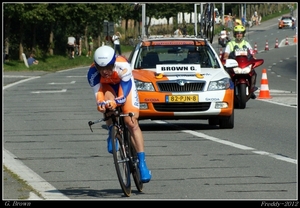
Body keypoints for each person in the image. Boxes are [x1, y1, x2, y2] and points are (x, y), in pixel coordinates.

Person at [86, 45, 152, 183]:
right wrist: (101, 104)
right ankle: (112, 131)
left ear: (113, 63)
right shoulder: (92, 73)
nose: (104, 72)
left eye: (108, 67)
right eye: (101, 68)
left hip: (124, 86)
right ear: (96, 66)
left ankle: (142, 163)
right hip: (108, 88)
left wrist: (120, 100)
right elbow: (98, 94)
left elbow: (126, 88)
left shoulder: (122, 65)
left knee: (131, 123)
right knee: (107, 105)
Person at [222, 25, 257, 99]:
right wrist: (225, 60)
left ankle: (252, 89)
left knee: (253, 72)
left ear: (243, 34)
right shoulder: (230, 44)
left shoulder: (246, 43)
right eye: (237, 33)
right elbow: (226, 55)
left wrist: (254, 59)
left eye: (241, 33)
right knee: (226, 75)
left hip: (244, 64)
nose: (239, 34)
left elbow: (252, 54)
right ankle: (227, 90)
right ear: (234, 34)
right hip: (234, 66)